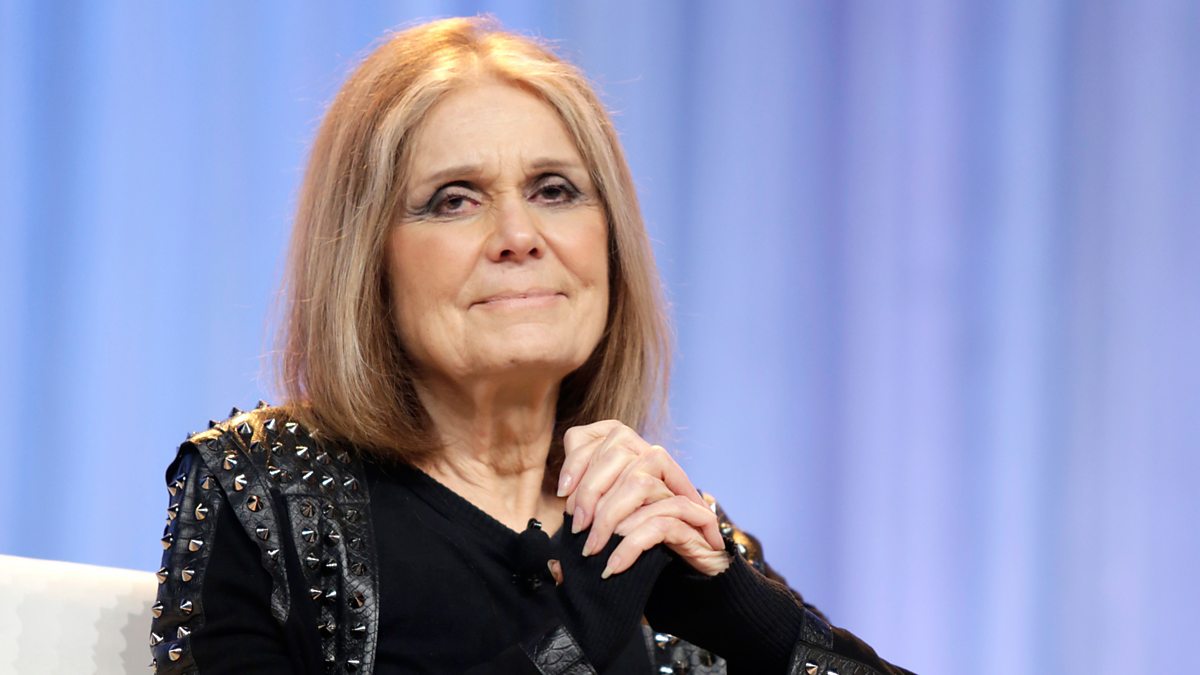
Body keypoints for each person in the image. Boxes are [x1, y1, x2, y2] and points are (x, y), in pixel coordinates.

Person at [150, 16, 912, 675]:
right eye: (455, 200)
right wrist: (573, 635)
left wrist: (738, 605)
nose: (519, 235)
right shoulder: (268, 492)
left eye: (555, 190)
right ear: (367, 258)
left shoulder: (657, 521)